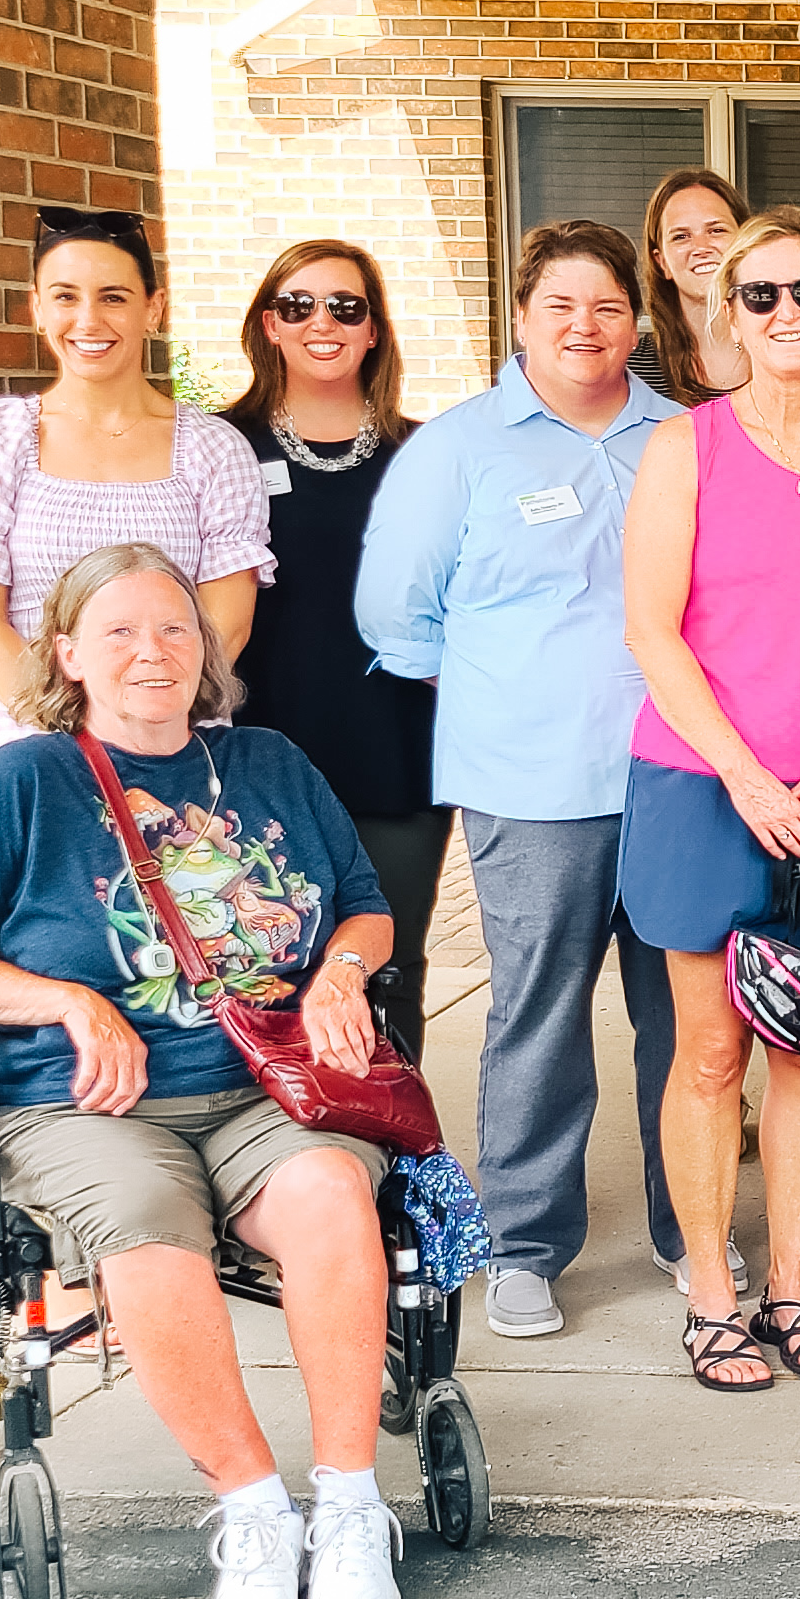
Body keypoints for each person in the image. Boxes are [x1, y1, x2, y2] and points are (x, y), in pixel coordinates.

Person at [0, 543, 407, 1599]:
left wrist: (341, 971)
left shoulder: (268, 763)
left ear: (206, 649)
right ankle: (256, 1516)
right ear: (70, 653)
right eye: (119, 631)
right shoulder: (16, 785)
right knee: (143, 1228)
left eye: (174, 628)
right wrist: (70, 1003)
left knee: (329, 1198)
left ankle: (354, 1509)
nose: (151, 653)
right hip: (87, 1108)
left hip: (264, 1087)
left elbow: (367, 908)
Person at [356, 218, 688, 1343]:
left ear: (637, 322)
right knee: (539, 1018)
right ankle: (526, 1248)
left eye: (606, 307)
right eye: (562, 306)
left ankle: (689, 1231)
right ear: (519, 320)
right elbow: (395, 616)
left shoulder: (682, 438)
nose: (585, 327)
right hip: (531, 783)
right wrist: (517, 683)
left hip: (678, 775)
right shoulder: (458, 449)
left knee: (683, 1020)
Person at [620, 207, 800, 1391]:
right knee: (707, 1056)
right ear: (721, 312)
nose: (787, 313)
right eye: (760, 295)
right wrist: (746, 775)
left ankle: (790, 1287)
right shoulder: (684, 448)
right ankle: (711, 1292)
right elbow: (653, 630)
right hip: (703, 787)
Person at [0, 208, 271, 770]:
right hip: (28, 743)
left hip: (172, 741)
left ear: (153, 308)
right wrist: (73, 737)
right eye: (64, 296)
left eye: (113, 297)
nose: (88, 319)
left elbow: (225, 623)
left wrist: (144, 728)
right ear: (36, 309)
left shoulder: (214, 449)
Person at [220, 239, 445, 1061]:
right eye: (299, 305)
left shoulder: (426, 455)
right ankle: (286, 1168)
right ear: (268, 326)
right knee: (263, 968)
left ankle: (403, 1173)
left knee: (389, 972)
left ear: (375, 331)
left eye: (347, 307)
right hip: (256, 755)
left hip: (397, 751)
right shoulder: (218, 450)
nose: (324, 322)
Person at [627, 167, 749, 407]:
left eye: (716, 230)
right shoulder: (632, 371)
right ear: (662, 262)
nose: (701, 247)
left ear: (747, 243)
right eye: (681, 237)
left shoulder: (785, 350)